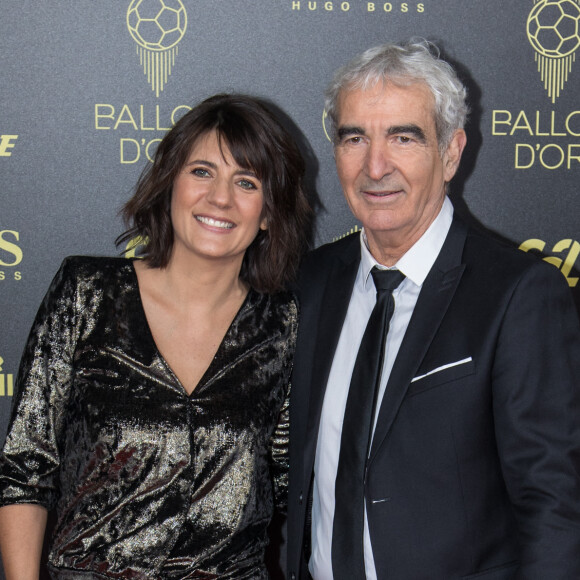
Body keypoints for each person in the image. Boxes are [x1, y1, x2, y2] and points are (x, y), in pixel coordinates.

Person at [287, 40, 580, 580]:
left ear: (450, 152)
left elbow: (553, 505)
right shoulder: (312, 280)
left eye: (404, 137)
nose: (376, 166)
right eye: (355, 138)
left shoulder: (517, 294)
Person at [0, 93, 311, 579]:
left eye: (246, 182)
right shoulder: (87, 292)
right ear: (170, 184)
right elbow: (25, 469)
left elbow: (299, 480)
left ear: (269, 213)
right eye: (202, 171)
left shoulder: (284, 324)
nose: (220, 198)